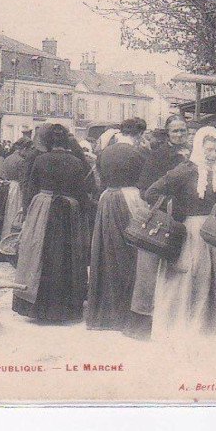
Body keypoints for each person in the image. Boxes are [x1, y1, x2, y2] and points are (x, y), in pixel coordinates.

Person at [144, 126, 216, 340]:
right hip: (189, 233)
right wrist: (176, 211)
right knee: (185, 278)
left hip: (212, 233)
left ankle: (204, 328)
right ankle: (178, 327)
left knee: (208, 279)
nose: (213, 155)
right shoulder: (185, 170)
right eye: (209, 150)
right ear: (200, 148)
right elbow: (152, 192)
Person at [13, 124, 90, 323]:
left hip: (42, 210)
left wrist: (30, 214)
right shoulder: (76, 162)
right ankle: (64, 309)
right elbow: (82, 195)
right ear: (66, 141)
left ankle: (38, 307)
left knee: (40, 255)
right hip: (68, 213)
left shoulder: (40, 160)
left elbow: (30, 190)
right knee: (66, 257)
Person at [127, 115, 191, 336]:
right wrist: (166, 201)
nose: (180, 135)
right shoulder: (158, 155)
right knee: (150, 270)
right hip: (161, 220)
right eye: (175, 131)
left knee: (177, 273)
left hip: (184, 221)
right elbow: (145, 189)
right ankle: (143, 323)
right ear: (167, 133)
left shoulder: (195, 154)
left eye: (183, 130)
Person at [86, 118, 148, 331]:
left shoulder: (104, 153)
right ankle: (125, 312)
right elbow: (144, 182)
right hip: (129, 199)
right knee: (128, 253)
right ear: (138, 135)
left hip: (107, 199)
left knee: (105, 253)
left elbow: (100, 181)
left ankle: (104, 313)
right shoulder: (138, 154)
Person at [0, 138, 30, 255]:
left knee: (6, 214)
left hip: (5, 188)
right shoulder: (21, 161)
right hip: (16, 189)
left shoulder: (8, 158)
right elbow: (23, 181)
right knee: (14, 214)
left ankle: (3, 239)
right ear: (24, 149)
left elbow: (0, 173)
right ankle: (11, 242)